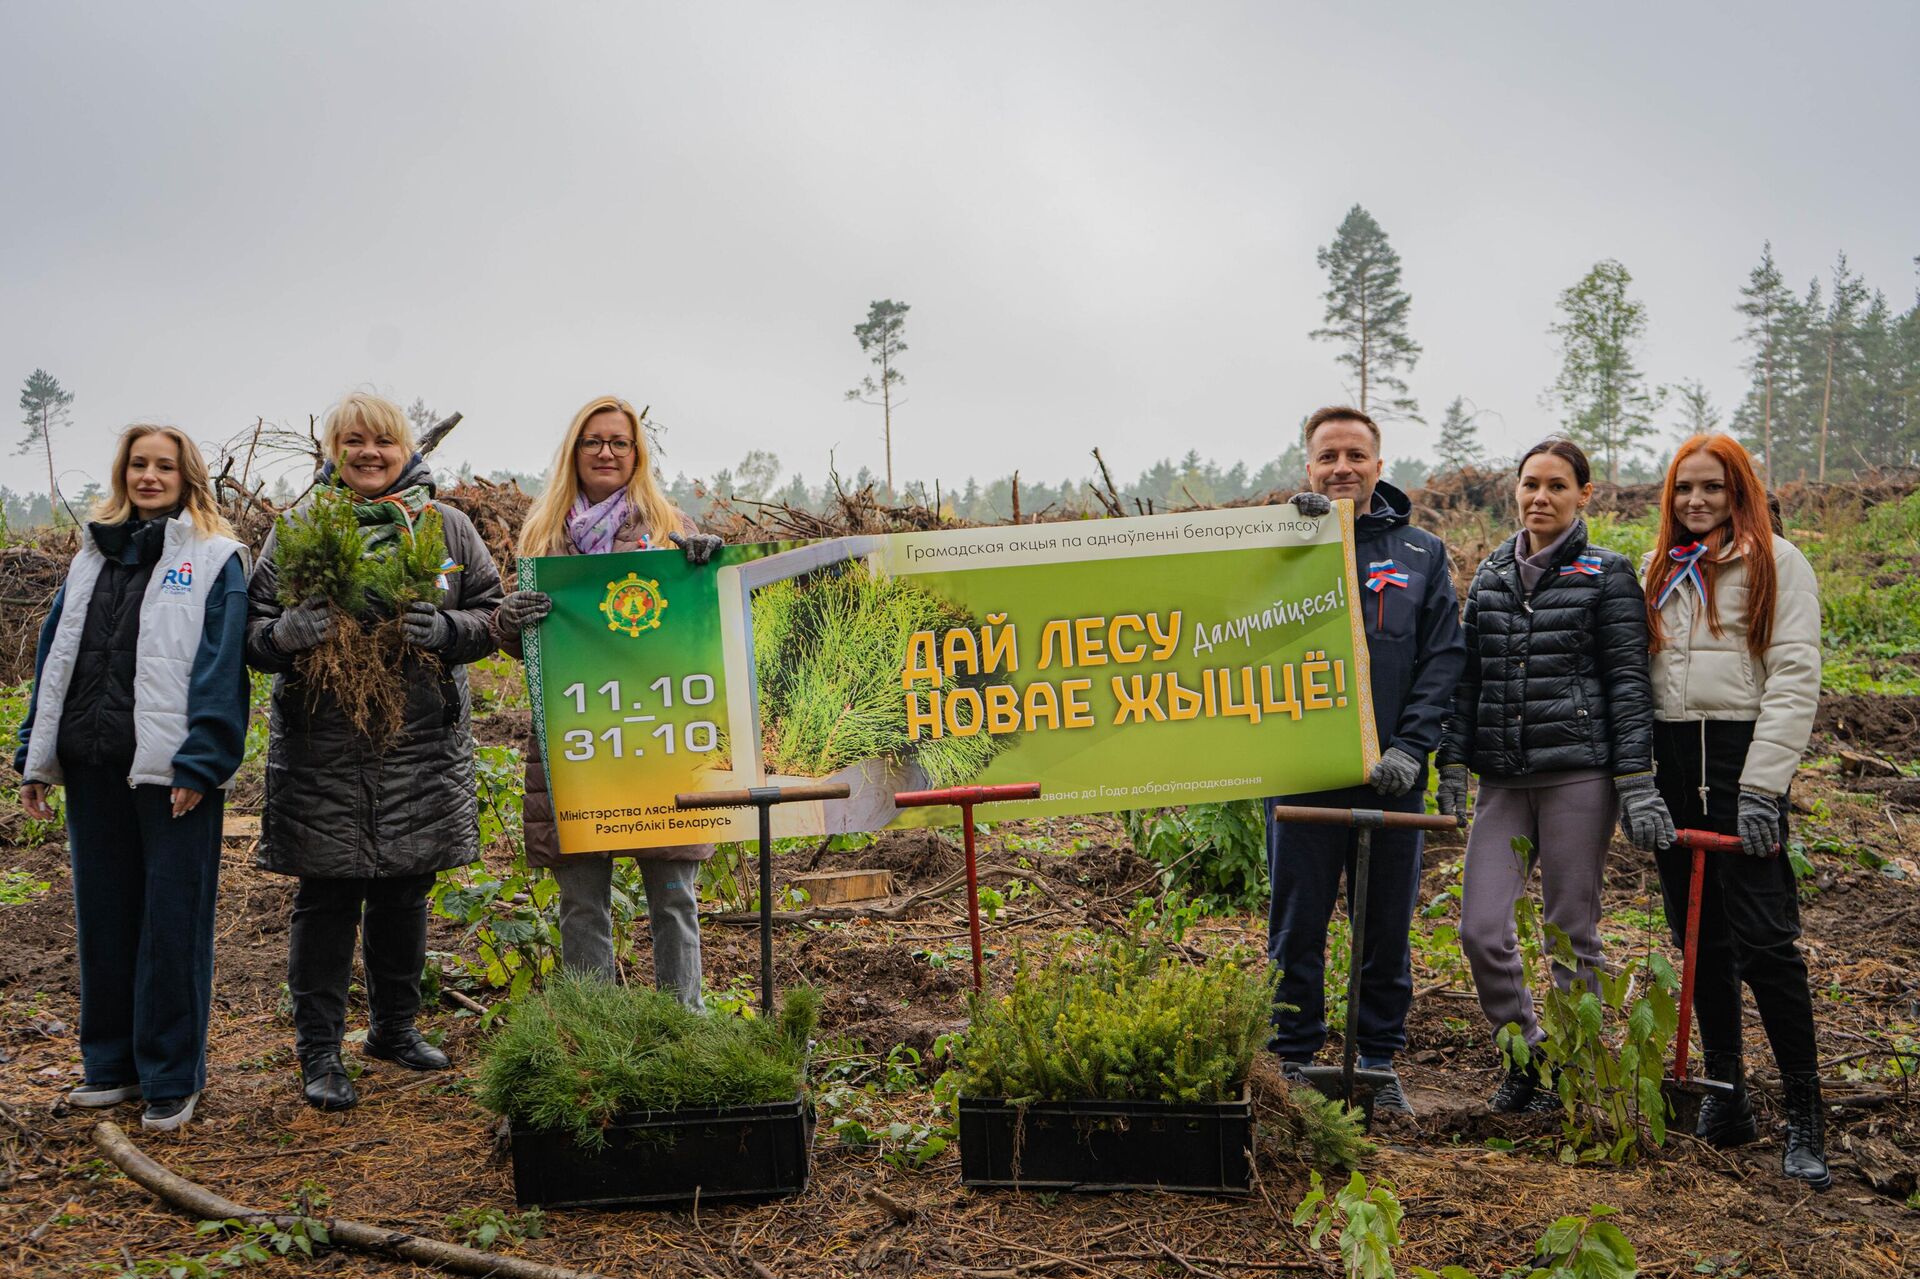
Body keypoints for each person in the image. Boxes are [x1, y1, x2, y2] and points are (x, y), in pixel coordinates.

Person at [246, 392, 504, 1111]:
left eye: (382, 442)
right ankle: (321, 1052)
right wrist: (287, 632)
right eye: (352, 441)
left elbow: (493, 613)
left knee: (404, 886)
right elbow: (250, 631)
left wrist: (447, 630)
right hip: (322, 745)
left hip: (420, 743)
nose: (368, 453)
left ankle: (394, 1027)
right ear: (332, 451)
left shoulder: (446, 527)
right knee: (326, 895)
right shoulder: (298, 529)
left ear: (406, 449)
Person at [15, 425, 249, 1132]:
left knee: (171, 924)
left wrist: (202, 760)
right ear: (124, 473)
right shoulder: (92, 553)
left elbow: (221, 666)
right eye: (139, 464)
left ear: (187, 476)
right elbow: (56, 656)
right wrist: (36, 750)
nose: (150, 476)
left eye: (164, 466)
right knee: (105, 918)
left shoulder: (214, 558)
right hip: (93, 761)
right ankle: (111, 1065)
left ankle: (172, 1076)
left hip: (172, 770)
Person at [1436, 439, 1666, 1112]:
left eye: (1556, 486)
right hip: (1504, 781)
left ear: (1583, 495)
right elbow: (1467, 677)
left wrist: (1636, 780)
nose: (1540, 497)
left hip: (1577, 778)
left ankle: (1578, 1069)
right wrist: (1453, 760)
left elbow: (1627, 682)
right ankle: (1526, 1050)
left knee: (1570, 930)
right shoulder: (1491, 575)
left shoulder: (1608, 573)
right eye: (1529, 484)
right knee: (1481, 927)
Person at [490, 395, 722, 1004]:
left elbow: (707, 623)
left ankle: (684, 1027)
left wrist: (707, 567)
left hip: (658, 741)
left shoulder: (671, 529)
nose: (606, 452)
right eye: (594, 441)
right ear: (575, 451)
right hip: (580, 744)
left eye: (619, 442)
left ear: (636, 454)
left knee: (674, 898)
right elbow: (527, 644)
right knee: (581, 903)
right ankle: (595, 1034)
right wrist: (508, 619)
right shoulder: (545, 534)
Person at [1641, 434, 1827, 1189]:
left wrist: (1762, 787)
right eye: (1684, 488)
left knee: (1766, 944)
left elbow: (1793, 675)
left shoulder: (1778, 562)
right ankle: (1728, 1094)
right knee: (1700, 939)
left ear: (1739, 489)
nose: (1696, 501)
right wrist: (1643, 779)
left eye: (1712, 488)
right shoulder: (1660, 571)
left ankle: (1806, 1116)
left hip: (1743, 762)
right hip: (1677, 763)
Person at [1269, 405, 1467, 1115]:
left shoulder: (1422, 553)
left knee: (1383, 924)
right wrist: (1293, 537)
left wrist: (1413, 747)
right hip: (1301, 773)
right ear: (1310, 467)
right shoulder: (1282, 544)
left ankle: (1378, 1063)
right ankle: (1290, 1058)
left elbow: (1442, 658)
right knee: (1296, 923)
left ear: (1380, 466)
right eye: (1329, 456)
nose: (1343, 467)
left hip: (1393, 779)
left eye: (1356, 454)